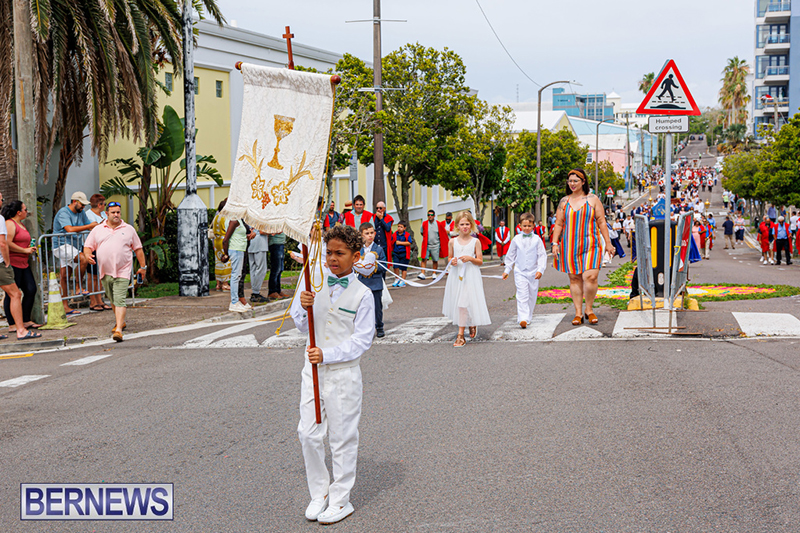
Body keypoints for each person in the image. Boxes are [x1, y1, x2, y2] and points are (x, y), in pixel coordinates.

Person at [291, 224, 374, 525]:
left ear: (356, 256)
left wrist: (328, 355)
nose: (332, 259)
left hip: (343, 374)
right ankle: (319, 492)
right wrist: (304, 307)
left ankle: (341, 499)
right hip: (313, 372)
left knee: (342, 437)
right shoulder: (312, 281)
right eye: (328, 253)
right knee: (308, 433)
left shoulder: (363, 294)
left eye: (340, 253)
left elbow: (362, 340)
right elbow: (301, 324)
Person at [551, 169, 614, 326]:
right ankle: (578, 312)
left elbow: (601, 221)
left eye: (575, 181)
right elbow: (558, 223)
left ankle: (589, 309)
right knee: (574, 278)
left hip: (591, 244)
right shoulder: (564, 201)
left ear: (583, 182)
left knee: (591, 277)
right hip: (569, 245)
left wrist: (608, 243)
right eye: (570, 181)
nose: (572, 184)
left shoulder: (593, 199)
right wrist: (554, 243)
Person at [82, 201, 146, 342]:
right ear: (107, 214)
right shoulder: (98, 229)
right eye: (113, 212)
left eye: (118, 212)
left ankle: (118, 330)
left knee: (120, 299)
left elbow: (138, 249)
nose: (116, 215)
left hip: (123, 270)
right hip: (105, 271)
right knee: (112, 299)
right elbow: (88, 246)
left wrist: (143, 267)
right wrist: (87, 255)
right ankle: (120, 321)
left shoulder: (128, 229)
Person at [443, 211, 490, 347]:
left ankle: (460, 335)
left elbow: (480, 261)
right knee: (460, 304)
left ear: (471, 225)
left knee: (464, 303)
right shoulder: (452, 242)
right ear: (457, 225)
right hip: (457, 276)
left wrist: (470, 258)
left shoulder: (475, 242)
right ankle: (469, 321)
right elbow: (449, 257)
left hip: (470, 275)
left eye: (467, 224)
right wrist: (452, 261)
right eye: (462, 224)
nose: (465, 227)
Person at [0, 193, 39, 340]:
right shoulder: (8, 223)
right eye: (25, 209)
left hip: (23, 263)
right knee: (14, 294)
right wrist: (8, 260)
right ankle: (15, 326)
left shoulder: (21, 224)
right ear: (18, 212)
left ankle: (24, 321)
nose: (27, 211)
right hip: (11, 262)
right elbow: (5, 243)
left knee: (30, 289)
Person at [52, 192, 99, 314]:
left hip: (73, 246)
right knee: (83, 258)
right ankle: (78, 287)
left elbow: (89, 226)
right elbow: (69, 229)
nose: (83, 207)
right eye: (82, 204)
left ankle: (65, 306)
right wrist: (89, 226)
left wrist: (98, 226)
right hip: (61, 245)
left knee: (64, 276)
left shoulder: (81, 212)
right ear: (74, 202)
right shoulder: (63, 212)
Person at [502, 213, 546, 329]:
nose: (527, 228)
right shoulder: (516, 239)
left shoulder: (537, 240)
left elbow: (542, 255)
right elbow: (510, 256)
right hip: (520, 272)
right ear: (520, 226)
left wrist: (540, 269)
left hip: (533, 272)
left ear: (533, 226)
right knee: (522, 295)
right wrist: (507, 270)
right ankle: (522, 318)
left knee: (532, 295)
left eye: (529, 226)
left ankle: (528, 317)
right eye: (524, 226)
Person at [358, 222, 387, 338]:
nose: (370, 235)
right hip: (361, 283)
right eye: (367, 233)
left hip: (375, 283)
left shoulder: (379, 249)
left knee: (377, 307)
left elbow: (384, 266)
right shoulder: (359, 249)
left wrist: (372, 267)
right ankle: (363, 328)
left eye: (371, 233)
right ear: (361, 235)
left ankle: (379, 326)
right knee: (362, 307)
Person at [221, 219, 254, 312]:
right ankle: (234, 302)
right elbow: (225, 239)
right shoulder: (234, 220)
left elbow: (236, 235)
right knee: (236, 276)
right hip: (236, 249)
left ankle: (236, 301)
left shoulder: (238, 219)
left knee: (237, 275)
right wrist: (226, 254)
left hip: (239, 249)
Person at [83, 194, 109, 311]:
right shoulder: (89, 214)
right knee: (92, 275)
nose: (104, 206)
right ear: (99, 205)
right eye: (104, 204)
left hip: (102, 248)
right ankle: (93, 300)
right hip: (92, 247)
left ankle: (100, 299)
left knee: (99, 275)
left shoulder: (103, 214)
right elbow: (94, 228)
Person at [419, 210, 448, 279]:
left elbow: (442, 234)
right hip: (427, 244)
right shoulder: (424, 224)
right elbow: (422, 232)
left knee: (435, 260)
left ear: (434, 216)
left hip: (435, 245)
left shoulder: (438, 224)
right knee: (424, 258)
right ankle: (422, 273)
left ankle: (434, 273)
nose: (430, 216)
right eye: (428, 215)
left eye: (431, 215)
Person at [211, 199, 232, 291]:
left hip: (217, 241)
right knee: (225, 261)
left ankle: (218, 284)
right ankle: (225, 284)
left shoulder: (216, 217)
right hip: (224, 241)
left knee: (218, 262)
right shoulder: (225, 218)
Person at [247, 229, 270, 303]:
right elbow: (262, 231)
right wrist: (272, 231)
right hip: (260, 243)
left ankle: (255, 291)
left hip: (251, 243)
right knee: (261, 269)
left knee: (253, 269)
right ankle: (256, 292)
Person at [268, 231, 290, 300]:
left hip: (280, 243)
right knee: (276, 269)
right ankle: (272, 291)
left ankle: (278, 290)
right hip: (275, 243)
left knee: (280, 269)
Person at [390, 222, 411, 287]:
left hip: (404, 253)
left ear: (404, 228)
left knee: (403, 267)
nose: (399, 228)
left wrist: (400, 243)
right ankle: (397, 279)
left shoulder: (407, 235)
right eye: (398, 226)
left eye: (401, 227)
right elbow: (391, 241)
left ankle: (403, 280)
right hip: (396, 253)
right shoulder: (395, 234)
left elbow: (409, 242)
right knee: (395, 266)